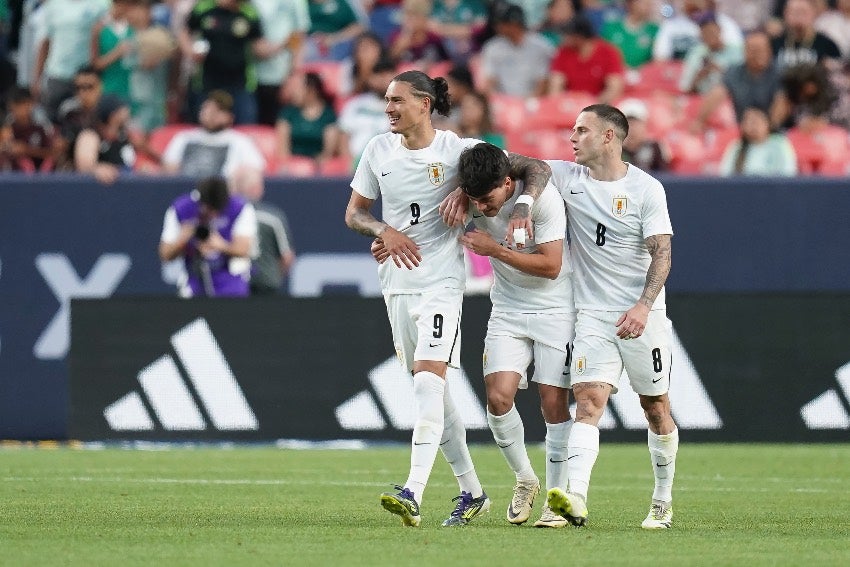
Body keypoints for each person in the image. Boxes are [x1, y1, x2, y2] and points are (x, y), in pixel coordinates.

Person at [344, 69, 552, 527]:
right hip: (396, 281)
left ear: (423, 104)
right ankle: (472, 493)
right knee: (432, 394)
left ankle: (413, 490)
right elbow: (355, 214)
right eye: (386, 100)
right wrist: (385, 230)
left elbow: (537, 168)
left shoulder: (458, 151)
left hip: (441, 283)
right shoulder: (377, 150)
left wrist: (487, 194)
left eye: (397, 100)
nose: (388, 108)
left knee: (427, 382)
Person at [539, 104, 678, 530]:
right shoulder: (567, 177)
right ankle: (575, 498)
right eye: (571, 130)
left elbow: (662, 253)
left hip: (643, 315)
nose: (572, 137)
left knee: (654, 406)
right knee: (588, 402)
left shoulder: (647, 189)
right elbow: (515, 165)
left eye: (581, 130)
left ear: (608, 137)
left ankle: (661, 501)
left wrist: (642, 305)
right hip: (593, 315)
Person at [454, 142, 575, 529]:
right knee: (498, 396)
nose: (483, 209)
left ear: (508, 183)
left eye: (488, 201)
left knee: (552, 402)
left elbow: (552, 266)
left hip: (556, 308)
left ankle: (557, 500)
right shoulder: (473, 193)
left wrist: (494, 250)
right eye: (475, 201)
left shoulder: (542, 202)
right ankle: (525, 478)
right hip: (507, 308)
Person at [159, 175, 257, 298]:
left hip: (230, 277)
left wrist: (220, 245)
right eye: (210, 210)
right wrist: (183, 239)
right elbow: (165, 254)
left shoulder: (240, 207)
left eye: (217, 211)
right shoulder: (181, 209)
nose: (213, 215)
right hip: (193, 277)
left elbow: (243, 249)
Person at [161, 89, 266, 181]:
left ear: (230, 117)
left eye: (217, 110)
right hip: (184, 192)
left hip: (223, 195)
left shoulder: (240, 141)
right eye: (207, 108)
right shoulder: (184, 138)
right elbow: (169, 168)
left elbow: (256, 170)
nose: (211, 113)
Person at [479, 3, 554, 97]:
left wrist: (525, 104)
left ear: (514, 24)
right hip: (503, 102)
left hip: (533, 101)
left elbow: (543, 82)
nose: (497, 27)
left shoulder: (540, 46)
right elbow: (489, 82)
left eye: (502, 23)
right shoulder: (492, 47)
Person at [547, 14, 625, 103]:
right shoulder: (563, 52)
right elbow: (555, 86)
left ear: (579, 36)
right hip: (569, 104)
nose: (563, 38)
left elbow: (614, 88)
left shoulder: (608, 52)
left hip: (599, 105)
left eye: (567, 34)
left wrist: (593, 107)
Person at [275, 71, 341, 166]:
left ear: (311, 91)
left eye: (298, 88)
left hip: (318, 168)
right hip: (292, 167)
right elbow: (282, 149)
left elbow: (328, 153)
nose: (294, 92)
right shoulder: (287, 113)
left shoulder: (329, 116)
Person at [719, 105, 797, 175]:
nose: (753, 125)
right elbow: (725, 174)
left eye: (756, 121)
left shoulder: (780, 144)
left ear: (767, 123)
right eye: (748, 121)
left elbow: (788, 172)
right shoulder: (737, 147)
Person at [619, 98, 671, 172]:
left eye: (636, 123)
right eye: (627, 123)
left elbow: (666, 176)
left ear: (644, 125)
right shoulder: (614, 150)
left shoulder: (655, 148)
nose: (631, 128)